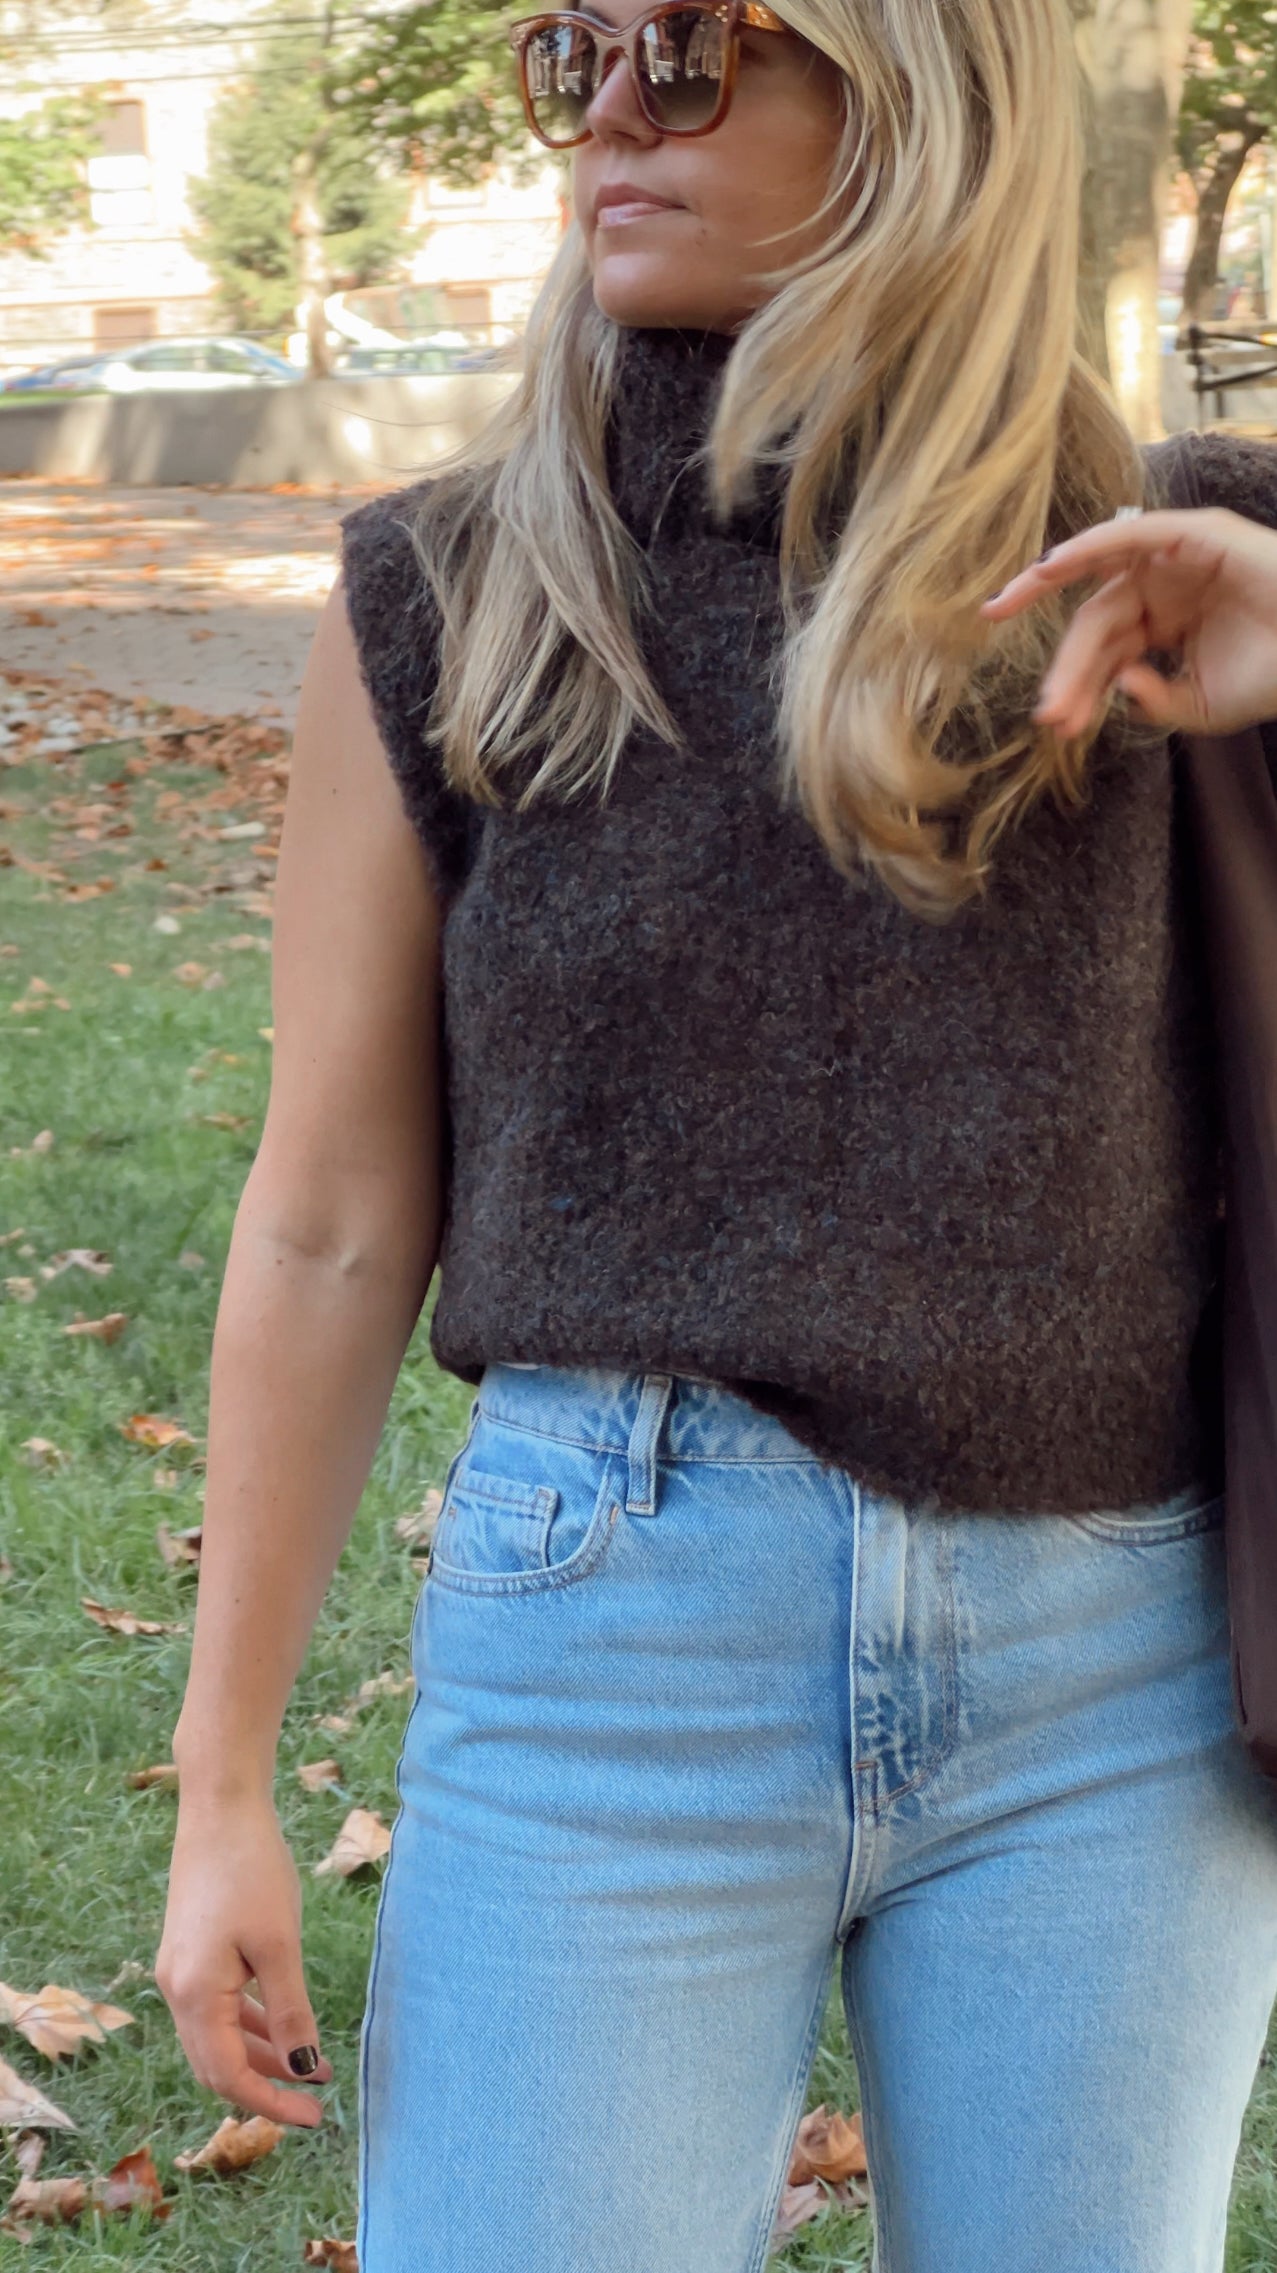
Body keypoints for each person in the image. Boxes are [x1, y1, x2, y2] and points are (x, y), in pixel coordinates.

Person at [157, 0, 1277, 2266]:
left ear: (920, 90)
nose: (605, 114)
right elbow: (330, 1222)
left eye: (683, 47)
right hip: (610, 1658)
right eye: (568, 52)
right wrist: (223, 1781)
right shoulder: (453, 595)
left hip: (1111, 1684)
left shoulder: (1170, 567)